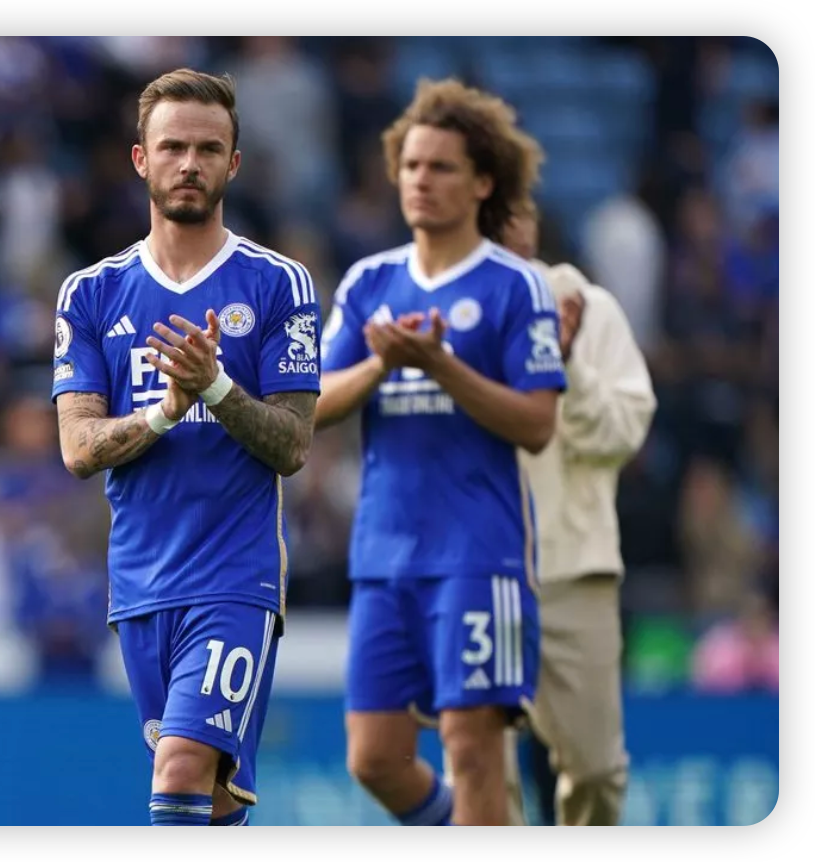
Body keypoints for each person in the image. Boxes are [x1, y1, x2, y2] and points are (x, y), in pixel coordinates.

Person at [51, 68, 322, 826]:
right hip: (140, 583)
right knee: (209, 799)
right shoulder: (91, 293)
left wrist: (217, 389)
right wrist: (166, 412)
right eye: (172, 148)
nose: (189, 164)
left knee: (179, 767)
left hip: (236, 576)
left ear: (234, 163)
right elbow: (78, 448)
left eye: (208, 150)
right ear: (141, 159)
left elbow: (294, 444)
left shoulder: (280, 284)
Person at [313, 77, 565, 827]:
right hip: (382, 555)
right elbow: (311, 406)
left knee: (472, 747)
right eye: (411, 165)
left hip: (479, 555)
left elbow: (537, 424)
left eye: (442, 167)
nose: (420, 180)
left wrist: (441, 366)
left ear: (483, 182)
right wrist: (383, 365)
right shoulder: (370, 283)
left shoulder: (516, 287)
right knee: (373, 758)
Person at [496, 199, 655, 825]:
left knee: (596, 770)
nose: (508, 222)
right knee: (482, 769)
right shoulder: (434, 307)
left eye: (518, 206)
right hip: (473, 568)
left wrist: (568, 368)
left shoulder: (590, 309)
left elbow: (622, 436)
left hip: (573, 570)